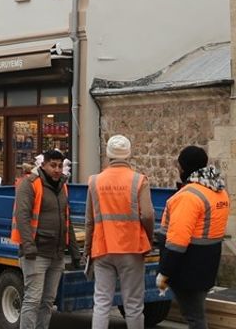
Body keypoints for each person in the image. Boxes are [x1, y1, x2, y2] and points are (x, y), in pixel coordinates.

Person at [156, 146, 230, 329]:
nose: (179, 170)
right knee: (196, 315)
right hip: (207, 263)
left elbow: (177, 241)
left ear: (186, 168)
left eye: (180, 166)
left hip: (188, 267)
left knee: (194, 318)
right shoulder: (218, 191)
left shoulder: (189, 196)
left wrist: (164, 272)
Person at [86, 135, 155, 329]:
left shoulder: (95, 181)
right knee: (133, 304)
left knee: (101, 303)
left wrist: (87, 250)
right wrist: (147, 239)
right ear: (128, 155)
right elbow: (148, 215)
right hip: (131, 247)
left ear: (108, 155)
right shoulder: (139, 180)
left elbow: (89, 221)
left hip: (102, 247)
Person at [12, 148, 80, 329]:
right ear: (43, 165)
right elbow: (22, 216)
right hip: (36, 252)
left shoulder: (62, 186)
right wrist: (28, 246)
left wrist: (74, 251)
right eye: (53, 165)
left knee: (48, 301)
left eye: (60, 166)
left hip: (56, 253)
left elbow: (67, 220)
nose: (57, 170)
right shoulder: (30, 184)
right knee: (32, 300)